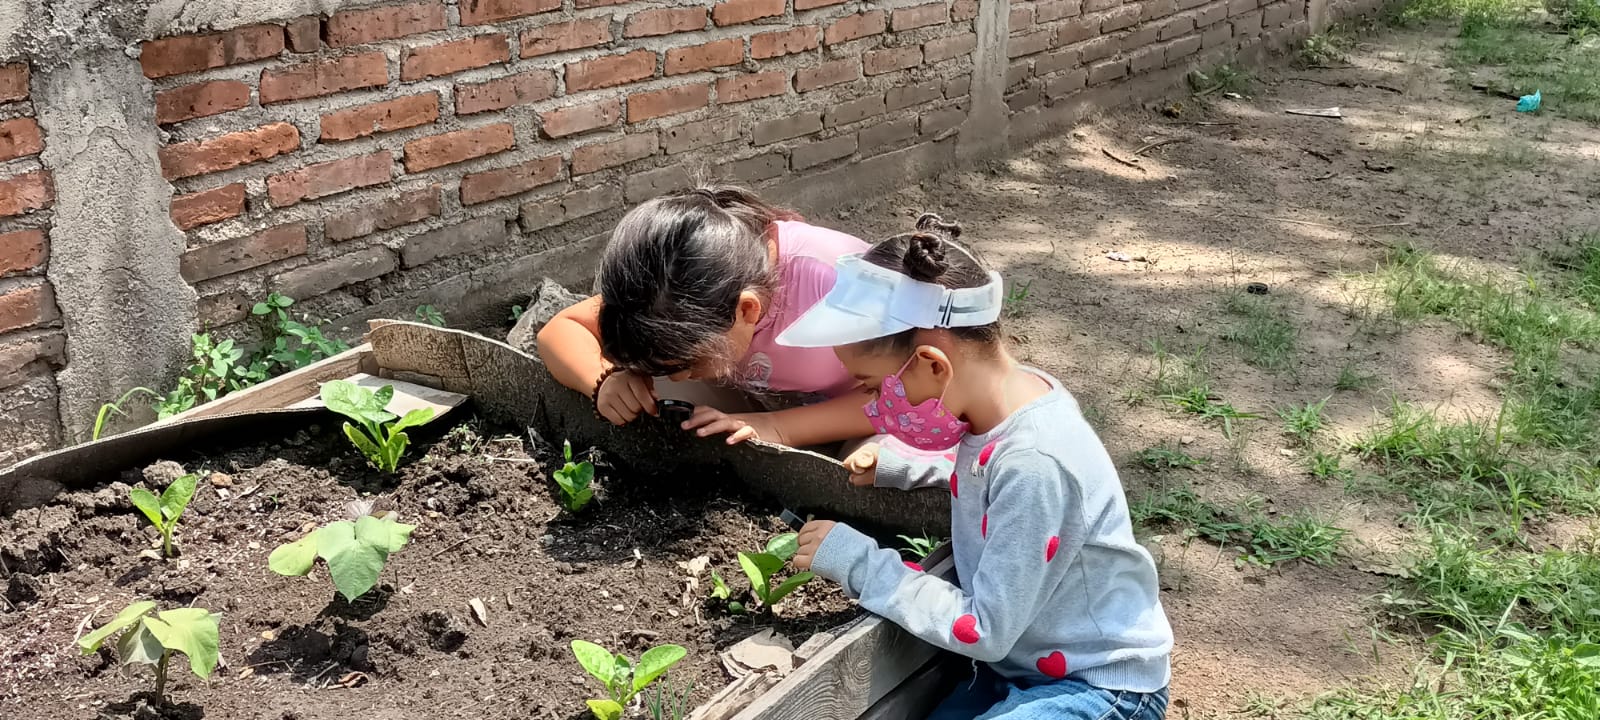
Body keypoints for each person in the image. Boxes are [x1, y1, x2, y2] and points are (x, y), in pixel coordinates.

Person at [782, 214, 1173, 720]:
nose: (873, 403)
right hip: (1019, 666)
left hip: (1098, 685)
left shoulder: (1036, 462)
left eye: (874, 385)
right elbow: (994, 487)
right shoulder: (1014, 399)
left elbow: (984, 628)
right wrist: (909, 465)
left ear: (932, 364)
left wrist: (860, 561)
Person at [535, 186, 951, 486]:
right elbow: (561, 329)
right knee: (658, 410)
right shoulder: (667, 289)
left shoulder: (835, 279)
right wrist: (605, 381)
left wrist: (776, 429)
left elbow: (904, 395)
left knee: (867, 473)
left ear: (746, 310)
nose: (678, 376)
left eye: (685, 364)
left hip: (872, 407)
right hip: (765, 397)